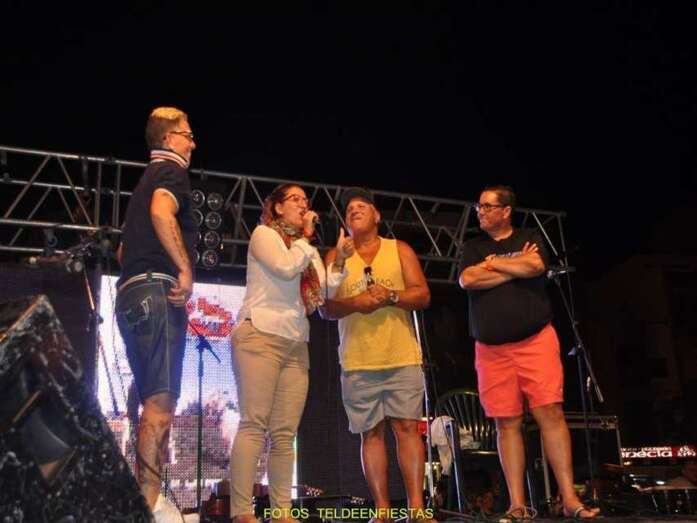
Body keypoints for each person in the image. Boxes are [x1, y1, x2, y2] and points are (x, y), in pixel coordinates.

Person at [458, 185, 600, 520]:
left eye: (487, 206)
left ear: (506, 210)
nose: (480, 212)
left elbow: (535, 265)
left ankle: (569, 499)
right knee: (506, 423)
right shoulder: (472, 246)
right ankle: (517, 505)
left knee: (550, 412)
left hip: (535, 341)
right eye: (479, 207)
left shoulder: (529, 236)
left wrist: (494, 264)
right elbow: (467, 279)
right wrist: (511, 266)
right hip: (491, 349)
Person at [229, 183, 354, 523]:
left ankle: (282, 512)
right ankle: (242, 512)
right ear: (278, 207)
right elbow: (285, 267)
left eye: (306, 200)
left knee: (285, 434)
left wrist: (340, 259)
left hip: (296, 342)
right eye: (295, 199)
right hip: (260, 336)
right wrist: (307, 238)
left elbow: (325, 290)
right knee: (254, 424)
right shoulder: (264, 235)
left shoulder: (306, 249)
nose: (303, 205)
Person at [323, 187, 432, 523]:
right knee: (370, 433)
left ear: (377, 215)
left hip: (401, 355)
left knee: (407, 428)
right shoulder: (336, 255)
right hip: (358, 359)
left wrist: (392, 296)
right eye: (349, 209)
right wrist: (356, 303)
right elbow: (324, 309)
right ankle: (382, 511)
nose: (354, 210)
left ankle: (416, 509)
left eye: (362, 206)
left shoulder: (399, 249)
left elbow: (423, 295)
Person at [115, 107, 198, 522]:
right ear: (168, 139)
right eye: (187, 134)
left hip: (130, 294)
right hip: (156, 292)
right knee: (161, 402)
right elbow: (162, 212)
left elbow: (122, 251)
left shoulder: (144, 181)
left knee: (149, 399)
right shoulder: (170, 172)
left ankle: (147, 496)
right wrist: (184, 268)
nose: (193, 143)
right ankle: (146, 506)